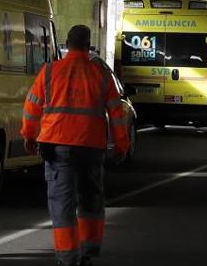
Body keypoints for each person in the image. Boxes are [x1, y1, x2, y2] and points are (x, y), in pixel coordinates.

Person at [21, 25, 130, 266]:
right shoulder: (101, 75)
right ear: (88, 45)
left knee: (63, 202)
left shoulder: (49, 72)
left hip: (58, 147)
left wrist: (28, 135)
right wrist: (122, 145)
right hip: (92, 147)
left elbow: (31, 108)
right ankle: (88, 249)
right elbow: (117, 113)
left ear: (67, 44)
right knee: (91, 198)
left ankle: (68, 256)